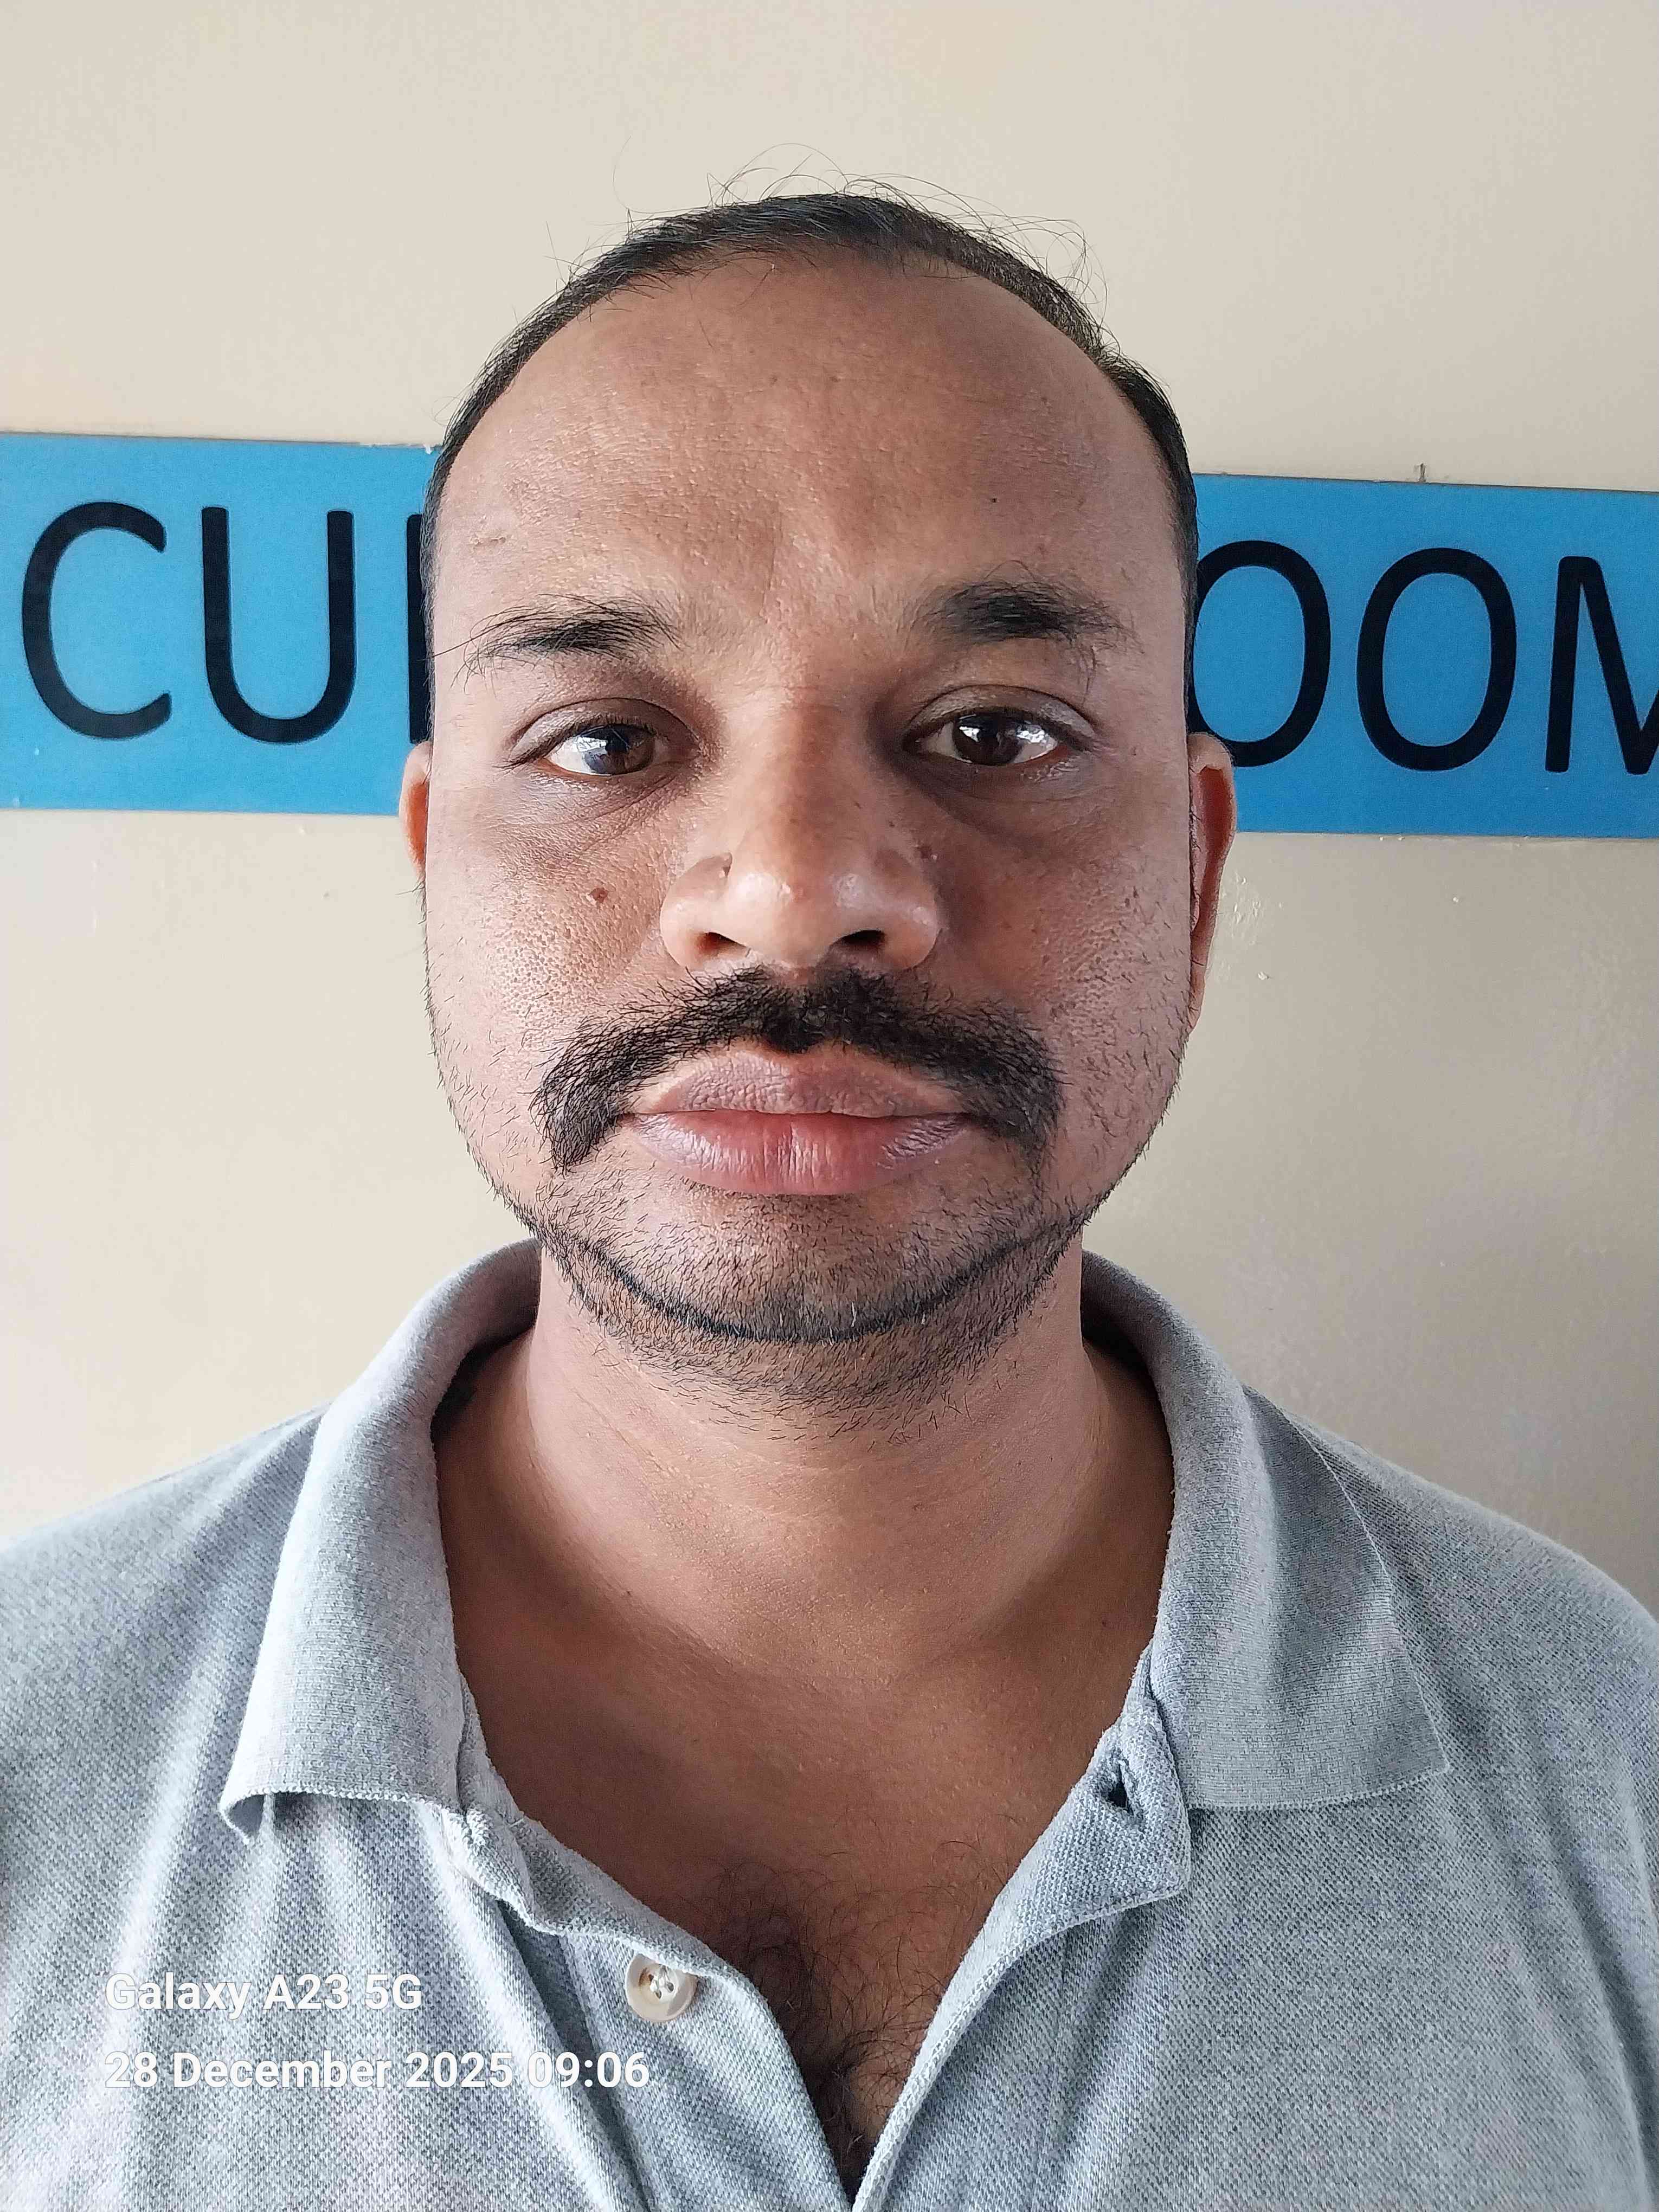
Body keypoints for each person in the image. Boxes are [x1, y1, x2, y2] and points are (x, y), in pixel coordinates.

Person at [2, 187, 1654, 2212]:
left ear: (1196, 874)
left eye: (994, 733)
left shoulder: (1607, 1761)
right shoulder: (31, 1759)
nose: (793, 892)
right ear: (432, 866)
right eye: (606, 742)